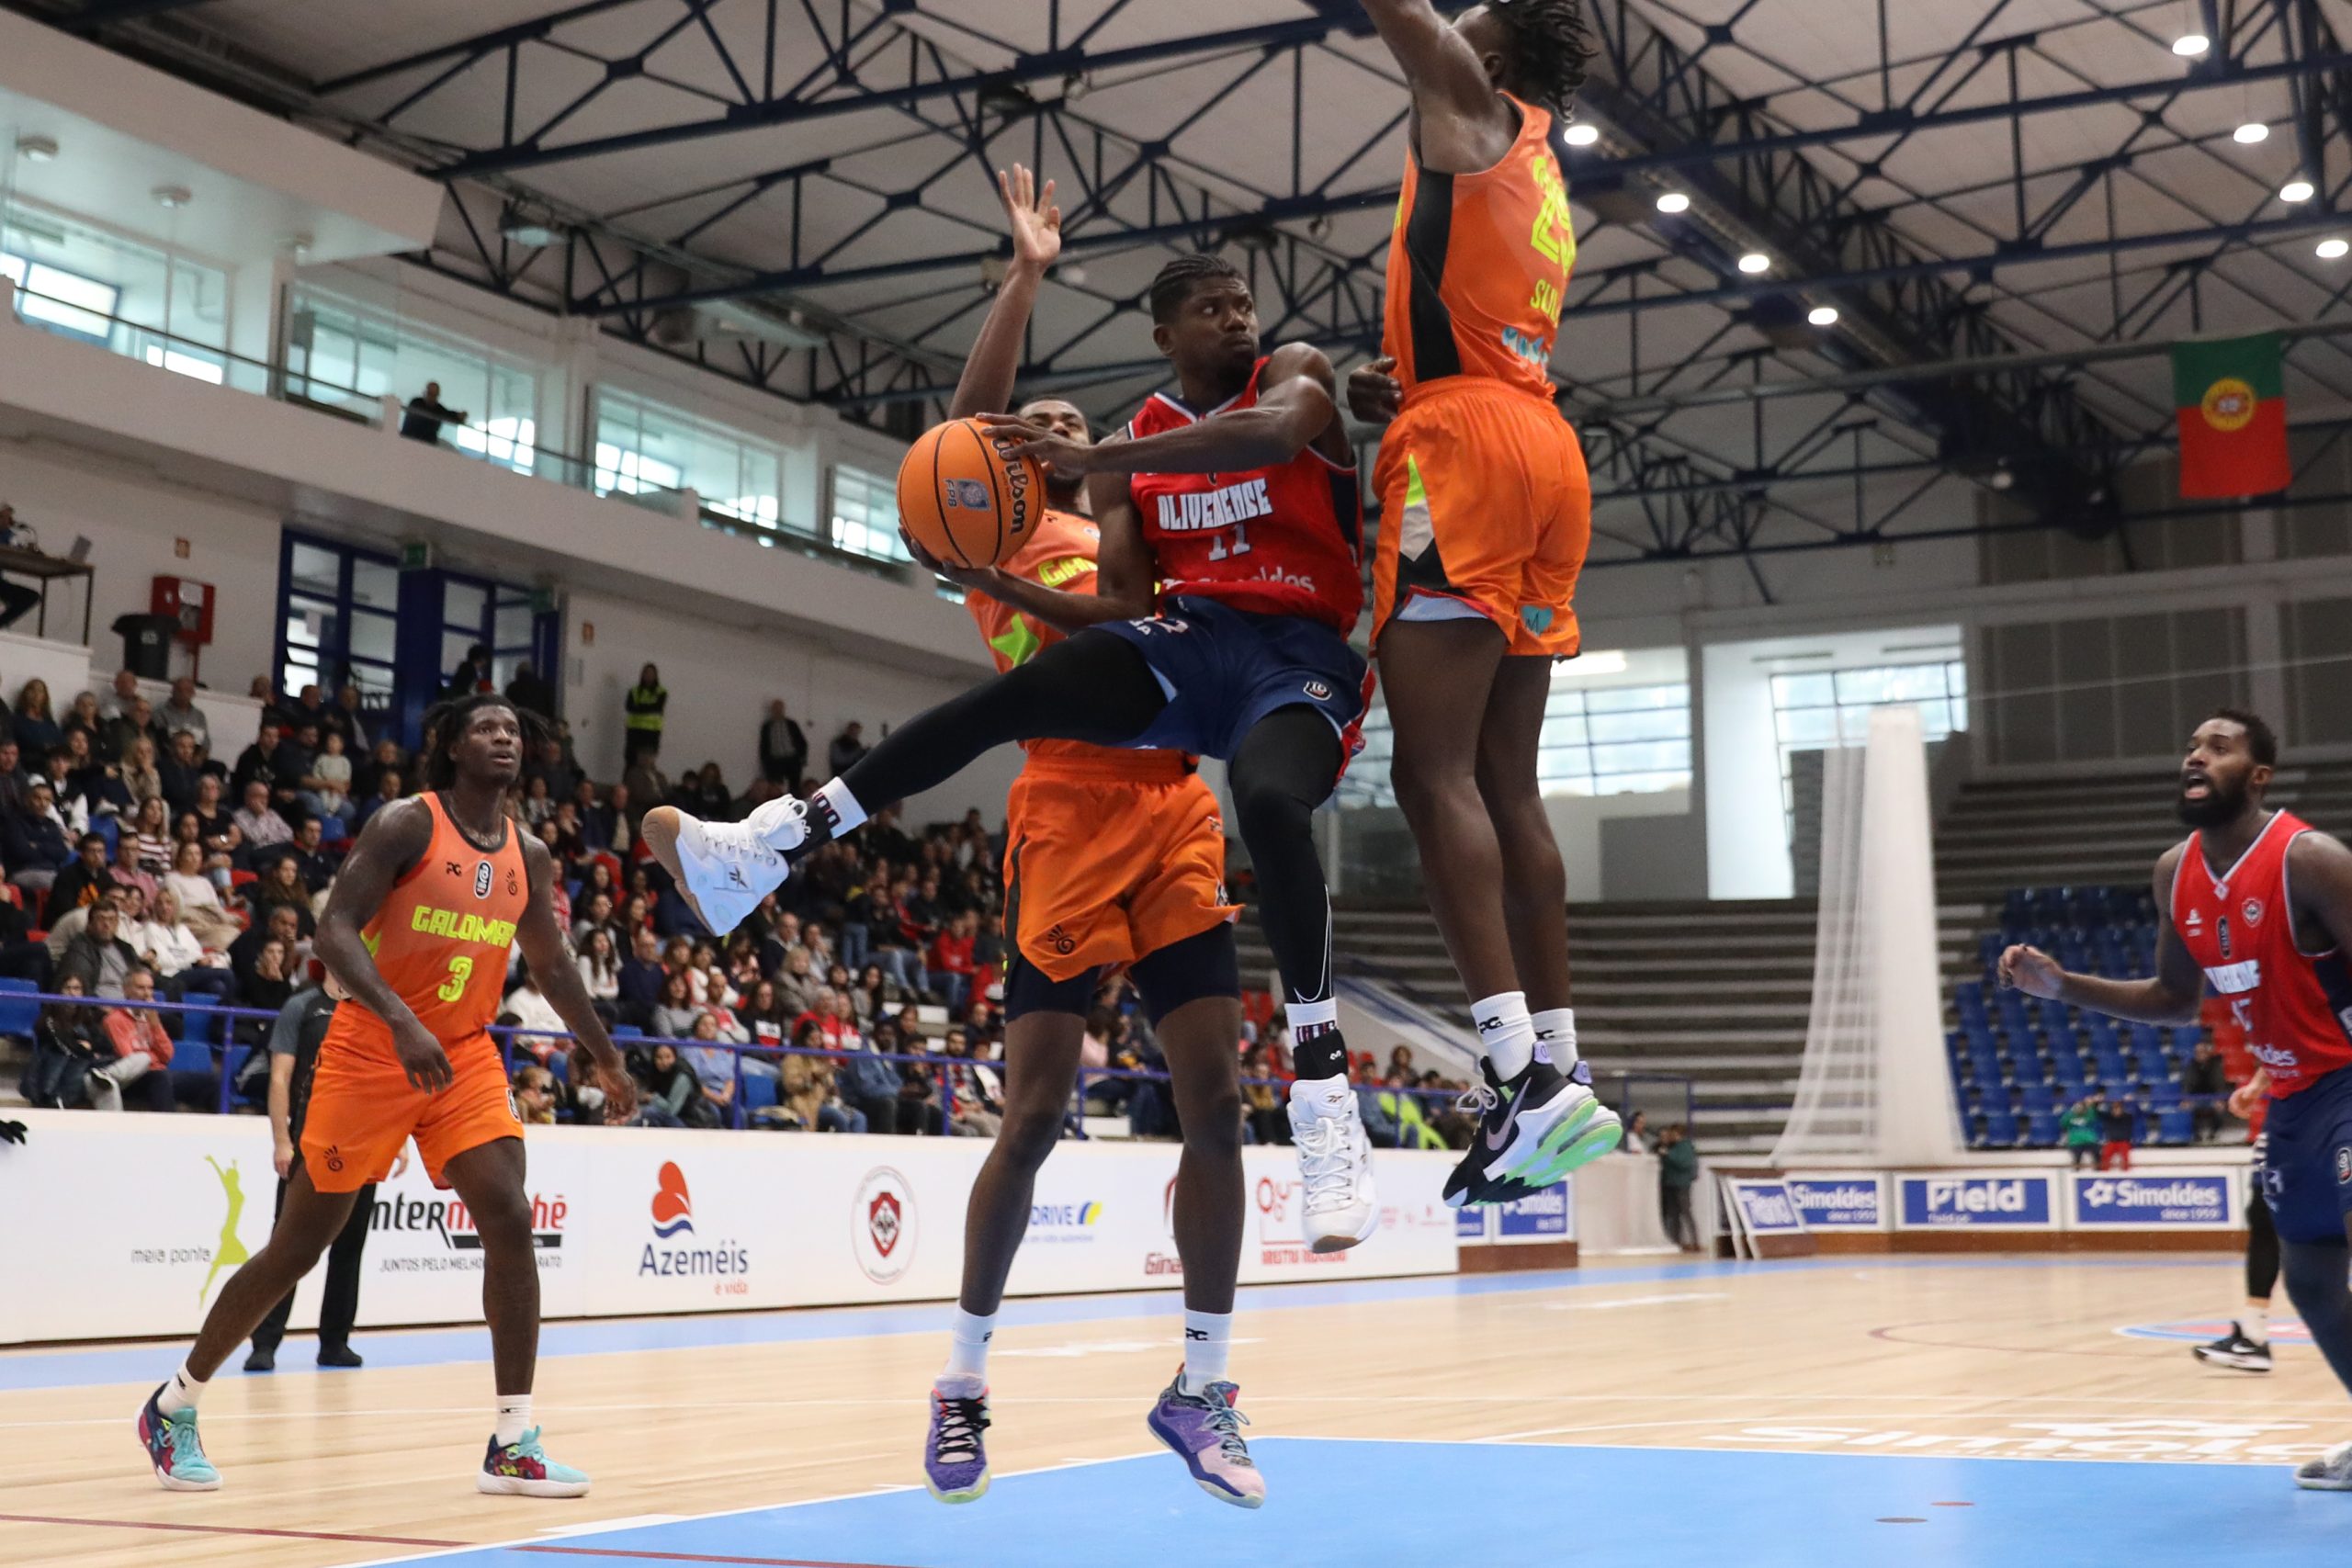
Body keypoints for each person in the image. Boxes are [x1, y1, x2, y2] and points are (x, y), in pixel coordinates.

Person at [647, 166, 1268, 1506]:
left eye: (1067, 417)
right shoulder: (985, 522)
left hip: (1171, 806)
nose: (1045, 420)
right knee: (1036, 1112)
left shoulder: (1122, 523)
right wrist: (1025, 276)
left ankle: (1203, 1382)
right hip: (1061, 812)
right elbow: (966, 420)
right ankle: (965, 1383)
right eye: (1026, 419)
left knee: (1217, 1102)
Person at [650, 240, 1387, 1255]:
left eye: (1241, 304)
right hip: (1168, 676)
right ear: (1165, 337)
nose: (1237, 319)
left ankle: (1321, 1097)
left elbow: (1274, 436)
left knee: (1268, 806)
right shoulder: (1044, 509)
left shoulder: (1281, 380)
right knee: (1015, 700)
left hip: (1287, 660)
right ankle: (773, 842)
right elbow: (1118, 602)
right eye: (1211, 310)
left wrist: (1096, 456)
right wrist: (1001, 566)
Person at [133, 694, 638, 1497]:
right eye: (486, 727)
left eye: (512, 728)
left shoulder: (529, 854)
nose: (503, 736)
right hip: (372, 1049)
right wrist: (400, 1019)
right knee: (298, 1247)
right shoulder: (408, 823)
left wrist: (606, 1059)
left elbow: (552, 964)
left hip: (463, 1054)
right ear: (452, 745)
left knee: (508, 1210)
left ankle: (514, 1438)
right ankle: (174, 1402)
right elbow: (333, 929)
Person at [1325, 0, 1621, 1209]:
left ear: (1486, 53)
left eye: (1470, 14)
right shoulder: (1543, 167)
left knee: (1428, 773)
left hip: (1464, 450)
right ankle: (1560, 1062)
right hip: (1544, 446)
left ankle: (1513, 1070)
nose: (1452, 20)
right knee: (1509, 781)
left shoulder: (1461, 91)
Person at [2000, 709, 2352, 1490]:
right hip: (2294, 1097)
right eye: (2192, 746)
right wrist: (2062, 986)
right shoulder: (2174, 872)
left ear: (2258, 776)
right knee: (2311, 1279)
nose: (2196, 756)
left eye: (2218, 747)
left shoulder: (2312, 860)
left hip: (2350, 1080)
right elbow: (2171, 997)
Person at [246, 972, 390, 1371]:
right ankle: (265, 1343)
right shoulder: (302, 1007)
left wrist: (392, 1138)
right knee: (287, 1245)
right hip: (309, 1142)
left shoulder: (373, 1006)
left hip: (362, 1144)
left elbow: (385, 1080)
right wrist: (281, 1139)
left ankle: (335, 1342)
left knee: (350, 1247)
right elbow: (279, 1078)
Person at [2197, 1128, 2281, 1375]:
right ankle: (2253, 1336)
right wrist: (2256, 1086)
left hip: (2318, 1115)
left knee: (2264, 1217)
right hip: (2295, 1117)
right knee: (2263, 1216)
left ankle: (2254, 1338)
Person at [88, 965, 176, 1112]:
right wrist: (154, 1057)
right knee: (160, 1077)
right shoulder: (114, 1019)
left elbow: (167, 1055)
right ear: (126, 990)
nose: (147, 994)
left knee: (212, 1082)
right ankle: (167, 1131)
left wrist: (155, 1024)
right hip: (133, 1079)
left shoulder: (151, 1017)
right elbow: (129, 1058)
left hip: (158, 1071)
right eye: (141, 988)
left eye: (150, 988)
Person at [1657, 1122, 1700, 1249]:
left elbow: (1683, 1163)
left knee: (1685, 1212)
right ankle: (1676, 1241)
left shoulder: (1685, 1147)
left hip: (1681, 1184)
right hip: (1671, 1183)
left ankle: (1694, 1241)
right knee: (1674, 1214)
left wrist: (1668, 1155)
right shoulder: (1673, 1146)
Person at [401, 381, 469, 445]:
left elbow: (450, 415)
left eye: (434, 395)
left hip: (428, 445)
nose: (432, 397)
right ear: (424, 392)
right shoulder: (416, 403)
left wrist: (460, 416)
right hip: (408, 439)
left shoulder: (439, 409)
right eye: (430, 394)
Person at [759, 699, 808, 785]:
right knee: (776, 786)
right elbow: (764, 745)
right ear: (772, 710)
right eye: (775, 709)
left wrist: (802, 757)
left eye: (780, 708)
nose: (778, 711)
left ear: (783, 709)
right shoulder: (767, 726)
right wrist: (765, 762)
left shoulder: (791, 724)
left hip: (792, 759)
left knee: (795, 786)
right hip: (776, 761)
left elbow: (801, 741)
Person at [624, 664, 665, 761]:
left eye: (651, 673)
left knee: (647, 763)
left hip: (652, 734)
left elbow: (657, 708)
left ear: (655, 676)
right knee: (631, 761)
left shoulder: (661, 692)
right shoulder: (634, 691)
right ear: (642, 674)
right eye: (646, 672)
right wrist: (647, 707)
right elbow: (629, 707)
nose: (648, 675)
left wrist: (639, 707)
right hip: (634, 732)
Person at [161, 677, 210, 759]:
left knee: (219, 767)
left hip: (195, 757)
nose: (183, 694)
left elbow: (206, 742)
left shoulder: (199, 715)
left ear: (193, 693)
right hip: (172, 757)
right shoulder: (161, 712)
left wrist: (199, 758)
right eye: (179, 690)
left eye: (187, 691)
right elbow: (161, 741)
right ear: (172, 692)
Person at [2061, 1092, 2102, 1168]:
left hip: (2089, 1141)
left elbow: (2093, 1109)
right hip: (2075, 1142)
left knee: (2097, 1154)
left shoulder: (2089, 1114)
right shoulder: (2069, 1116)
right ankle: (2076, 1174)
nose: (2079, 1108)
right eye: (2077, 1107)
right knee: (2077, 1157)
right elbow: (2063, 1124)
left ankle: (2098, 1170)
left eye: (2081, 1107)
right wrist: (2071, 1113)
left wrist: (2090, 1103)